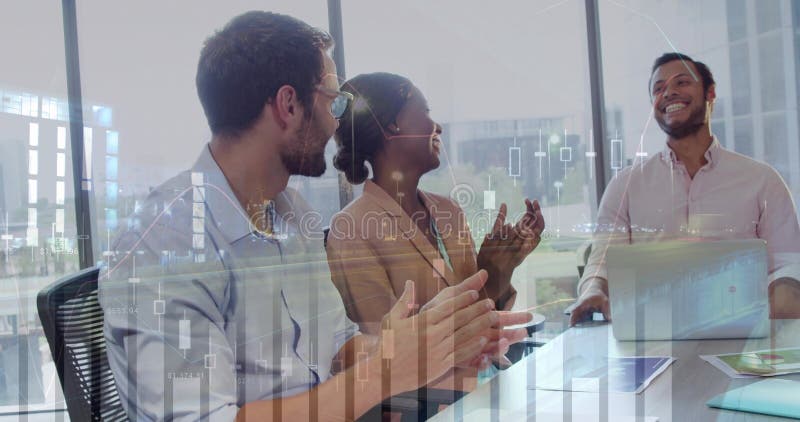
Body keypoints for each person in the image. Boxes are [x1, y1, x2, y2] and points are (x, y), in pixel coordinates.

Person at [98, 12, 531, 421]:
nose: (334, 124)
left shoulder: (293, 215)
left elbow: (338, 347)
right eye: (334, 103)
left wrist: (426, 349)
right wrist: (385, 372)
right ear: (289, 105)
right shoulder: (164, 245)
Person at [326, 73, 545, 392]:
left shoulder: (449, 212)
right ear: (391, 125)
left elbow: (481, 322)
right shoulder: (352, 230)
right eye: (424, 111)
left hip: (487, 387)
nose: (436, 126)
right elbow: (389, 355)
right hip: (428, 405)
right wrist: (487, 274)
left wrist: (498, 269)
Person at [570, 52, 800, 325]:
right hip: (651, 340)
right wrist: (593, 289)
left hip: (744, 337)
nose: (669, 92)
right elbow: (601, 262)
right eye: (659, 88)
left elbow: (788, 263)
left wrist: (784, 295)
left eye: (682, 82)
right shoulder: (625, 186)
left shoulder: (762, 180)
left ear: (710, 93)